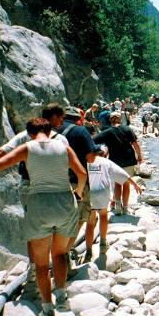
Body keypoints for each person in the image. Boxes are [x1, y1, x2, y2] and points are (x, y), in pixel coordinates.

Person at [0, 118, 86, 316]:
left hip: (39, 203)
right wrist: (78, 193)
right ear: (50, 131)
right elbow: (81, 173)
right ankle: (63, 299)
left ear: (29, 134)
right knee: (60, 254)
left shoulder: (27, 147)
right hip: (65, 201)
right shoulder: (64, 147)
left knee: (41, 263)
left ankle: (48, 310)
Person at [84, 144, 143, 261]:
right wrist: (135, 184)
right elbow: (122, 174)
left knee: (90, 223)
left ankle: (89, 251)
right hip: (102, 191)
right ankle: (102, 243)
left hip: (89, 191)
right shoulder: (106, 162)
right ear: (105, 154)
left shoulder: (86, 160)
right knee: (103, 216)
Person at [58, 106, 96, 265]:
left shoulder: (52, 131)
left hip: (55, 181)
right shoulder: (81, 132)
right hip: (77, 181)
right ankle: (64, 254)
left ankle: (53, 254)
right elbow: (91, 158)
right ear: (77, 119)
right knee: (79, 218)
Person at [93, 111, 143, 215]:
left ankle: (118, 207)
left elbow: (93, 141)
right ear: (120, 119)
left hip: (115, 160)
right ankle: (125, 208)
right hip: (129, 159)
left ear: (110, 120)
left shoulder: (107, 132)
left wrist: (101, 154)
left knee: (117, 184)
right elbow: (135, 144)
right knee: (126, 184)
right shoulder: (127, 129)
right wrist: (139, 156)